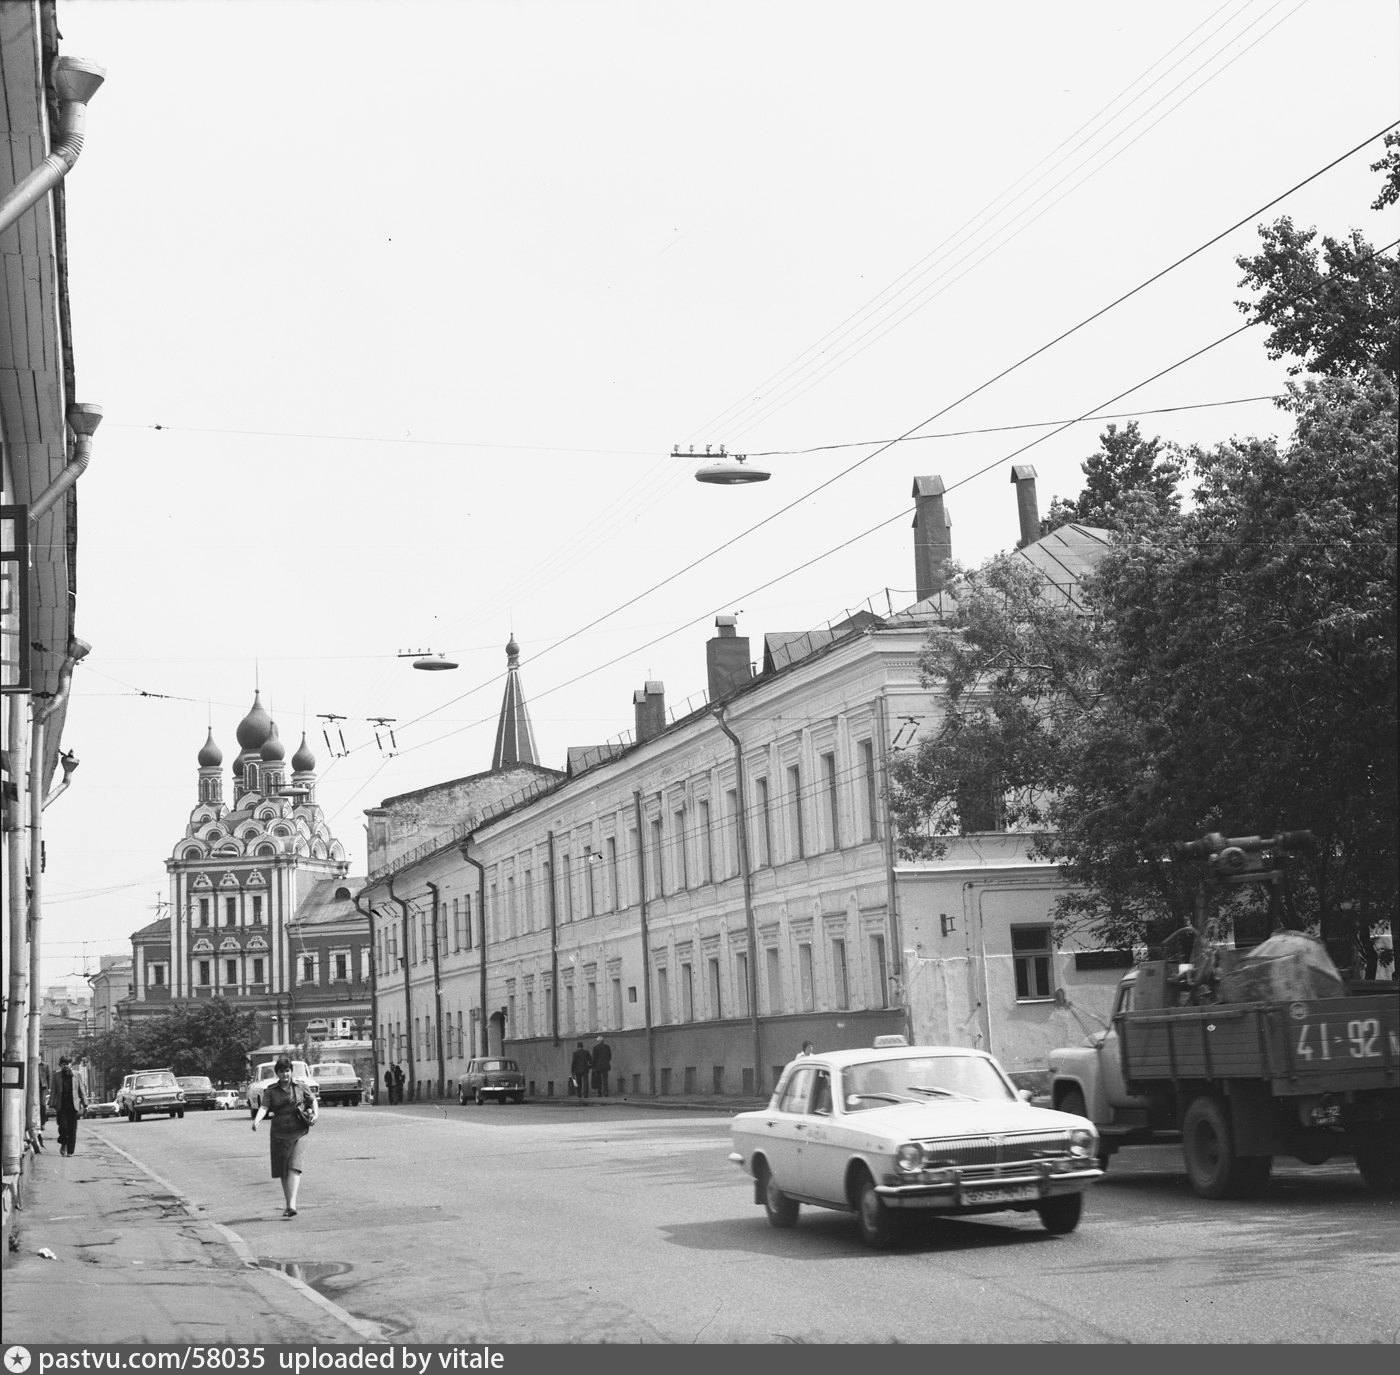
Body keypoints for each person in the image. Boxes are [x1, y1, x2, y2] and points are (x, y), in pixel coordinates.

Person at [251, 1056, 316, 1217]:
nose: (285, 1075)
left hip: (299, 1130)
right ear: (277, 1073)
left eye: (287, 1071)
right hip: (279, 1132)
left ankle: (292, 1204)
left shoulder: (301, 1086)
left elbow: (313, 1100)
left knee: (294, 1166)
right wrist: (257, 1121)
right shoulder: (271, 1091)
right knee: (283, 1169)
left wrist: (316, 1114)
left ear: (291, 1071)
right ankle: (288, 1204)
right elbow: (264, 1107)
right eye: (281, 1072)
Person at [49, 1056, 87, 1156]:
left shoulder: (77, 1075)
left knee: (72, 1129)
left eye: (68, 1064)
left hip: (73, 1105)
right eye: (63, 1064)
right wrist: (51, 1103)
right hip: (61, 1105)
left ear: (71, 1064)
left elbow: (81, 1090)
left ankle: (70, 1151)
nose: (66, 1066)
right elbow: (53, 1091)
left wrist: (85, 1103)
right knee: (63, 1127)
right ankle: (64, 1143)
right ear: (60, 1065)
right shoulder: (56, 1075)